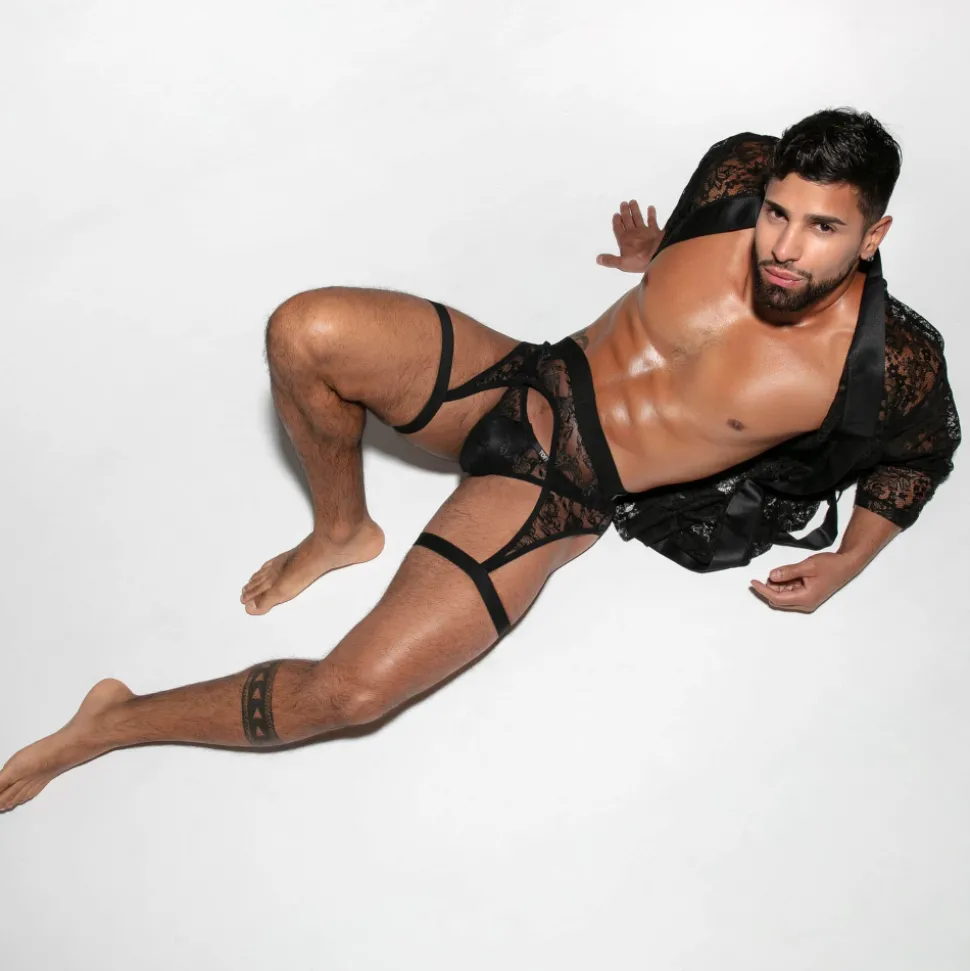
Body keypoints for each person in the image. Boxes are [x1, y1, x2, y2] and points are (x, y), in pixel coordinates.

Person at [0, 107, 960, 812]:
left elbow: (921, 456)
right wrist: (663, 259)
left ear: (874, 235)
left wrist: (848, 560)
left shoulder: (892, 363)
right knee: (302, 330)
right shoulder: (740, 167)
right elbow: (699, 268)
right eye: (778, 215)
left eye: (823, 229)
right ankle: (341, 529)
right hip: (527, 374)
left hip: (564, 488)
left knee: (353, 691)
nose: (783, 247)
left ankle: (109, 721)